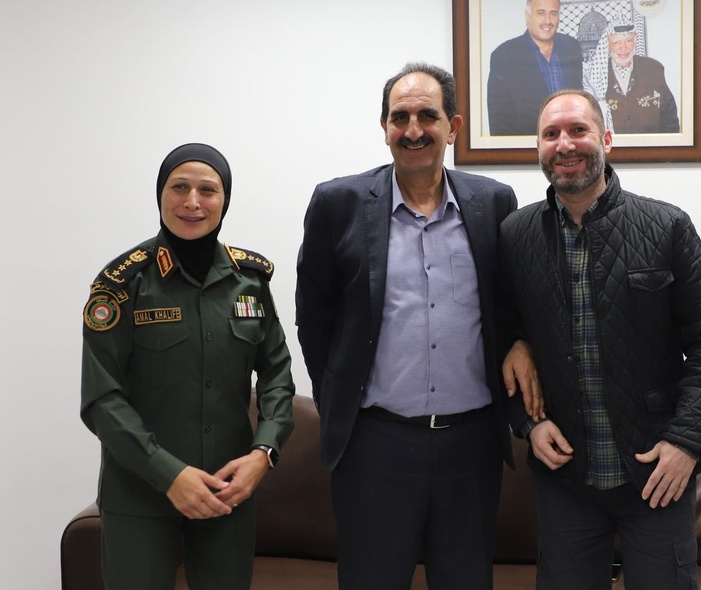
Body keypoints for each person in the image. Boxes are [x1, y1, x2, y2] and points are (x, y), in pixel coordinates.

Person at [295, 62, 540, 590]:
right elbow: (313, 318)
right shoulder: (338, 204)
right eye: (399, 117)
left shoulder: (493, 203)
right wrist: (341, 394)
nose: (412, 130)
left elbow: (511, 304)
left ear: (453, 126)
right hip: (374, 446)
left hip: (470, 446)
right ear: (383, 126)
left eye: (427, 116)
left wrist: (519, 340)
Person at [499, 89, 701, 589]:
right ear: (538, 149)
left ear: (606, 138)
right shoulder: (514, 236)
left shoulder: (668, 226)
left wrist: (686, 442)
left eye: (578, 130)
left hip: (656, 472)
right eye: (551, 134)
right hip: (567, 481)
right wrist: (528, 424)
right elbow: (499, 340)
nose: (565, 144)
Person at [80, 143, 296, 590]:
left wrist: (264, 453)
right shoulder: (122, 285)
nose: (192, 202)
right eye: (179, 187)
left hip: (225, 496)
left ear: (225, 200)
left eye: (207, 190)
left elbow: (277, 377)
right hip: (140, 495)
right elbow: (102, 399)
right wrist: (170, 475)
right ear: (160, 195)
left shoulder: (249, 282)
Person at [487, 0, 583, 136]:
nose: (548, 20)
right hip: (528, 148)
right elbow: (499, 121)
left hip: (570, 142)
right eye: (541, 13)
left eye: (553, 13)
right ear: (527, 16)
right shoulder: (505, 56)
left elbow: (578, 99)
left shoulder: (571, 47)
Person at [604, 21, 680, 133]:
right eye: (616, 43)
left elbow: (669, 119)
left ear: (635, 41)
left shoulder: (653, 69)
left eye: (628, 41)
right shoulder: (596, 77)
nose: (623, 48)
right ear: (607, 45)